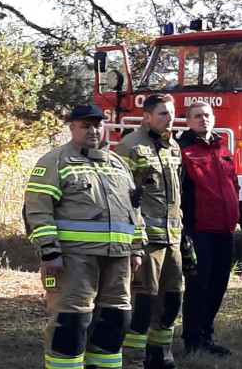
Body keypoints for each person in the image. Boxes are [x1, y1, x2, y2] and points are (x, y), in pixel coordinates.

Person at [23, 104, 145, 369]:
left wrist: (136, 248)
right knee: (71, 324)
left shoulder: (117, 162)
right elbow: (38, 209)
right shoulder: (55, 160)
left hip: (118, 259)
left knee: (115, 321)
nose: (94, 130)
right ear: (72, 128)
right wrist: (50, 252)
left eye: (98, 125)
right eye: (86, 126)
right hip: (74, 258)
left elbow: (133, 208)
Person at [116, 94, 183, 369]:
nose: (168, 118)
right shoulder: (130, 146)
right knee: (144, 302)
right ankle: (133, 360)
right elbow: (122, 197)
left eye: (171, 113)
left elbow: (177, 194)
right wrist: (133, 241)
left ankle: (161, 355)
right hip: (147, 242)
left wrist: (183, 234)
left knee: (172, 300)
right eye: (162, 114)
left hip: (173, 240)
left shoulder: (173, 146)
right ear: (147, 116)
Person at [176, 101, 239, 358]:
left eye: (207, 115)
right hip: (198, 229)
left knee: (218, 285)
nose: (204, 120)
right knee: (198, 287)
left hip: (225, 230)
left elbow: (233, 185)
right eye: (198, 116)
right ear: (188, 121)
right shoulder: (183, 149)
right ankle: (193, 340)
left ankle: (207, 335)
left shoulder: (222, 148)